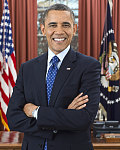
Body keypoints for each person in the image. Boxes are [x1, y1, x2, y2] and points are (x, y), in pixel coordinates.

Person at [6, 4, 101, 150]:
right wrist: (64, 117)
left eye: (65, 25)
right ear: (43, 29)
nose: (59, 31)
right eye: (52, 25)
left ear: (74, 29)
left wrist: (36, 112)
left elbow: (83, 119)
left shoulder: (89, 66)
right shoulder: (28, 68)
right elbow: (13, 118)